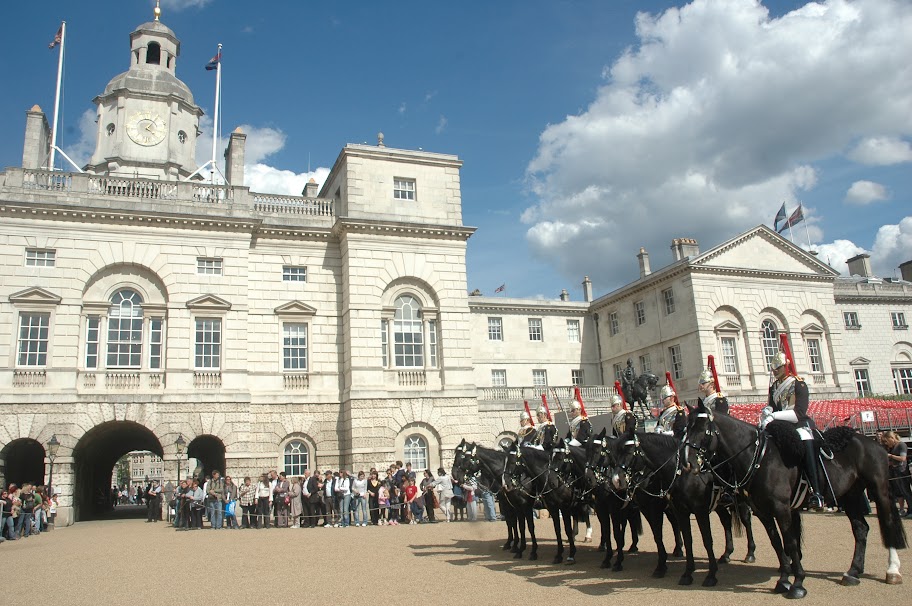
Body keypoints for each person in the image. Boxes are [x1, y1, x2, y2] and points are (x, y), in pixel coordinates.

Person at [759, 348, 825, 511]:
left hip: (799, 424)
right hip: (780, 426)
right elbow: (773, 406)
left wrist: (774, 415)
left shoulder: (798, 383)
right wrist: (768, 410)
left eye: (778, 368)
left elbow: (798, 413)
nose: (775, 371)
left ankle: (816, 491)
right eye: (773, 368)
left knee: (805, 438)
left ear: (786, 366)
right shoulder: (774, 387)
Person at [883, 432, 912, 518]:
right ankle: (908, 510)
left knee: (906, 492)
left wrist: (891, 456)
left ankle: (911, 510)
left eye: (886, 441)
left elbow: (903, 458)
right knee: (901, 492)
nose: (886, 443)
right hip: (895, 471)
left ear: (891, 438)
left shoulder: (901, 445)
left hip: (902, 471)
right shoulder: (893, 447)